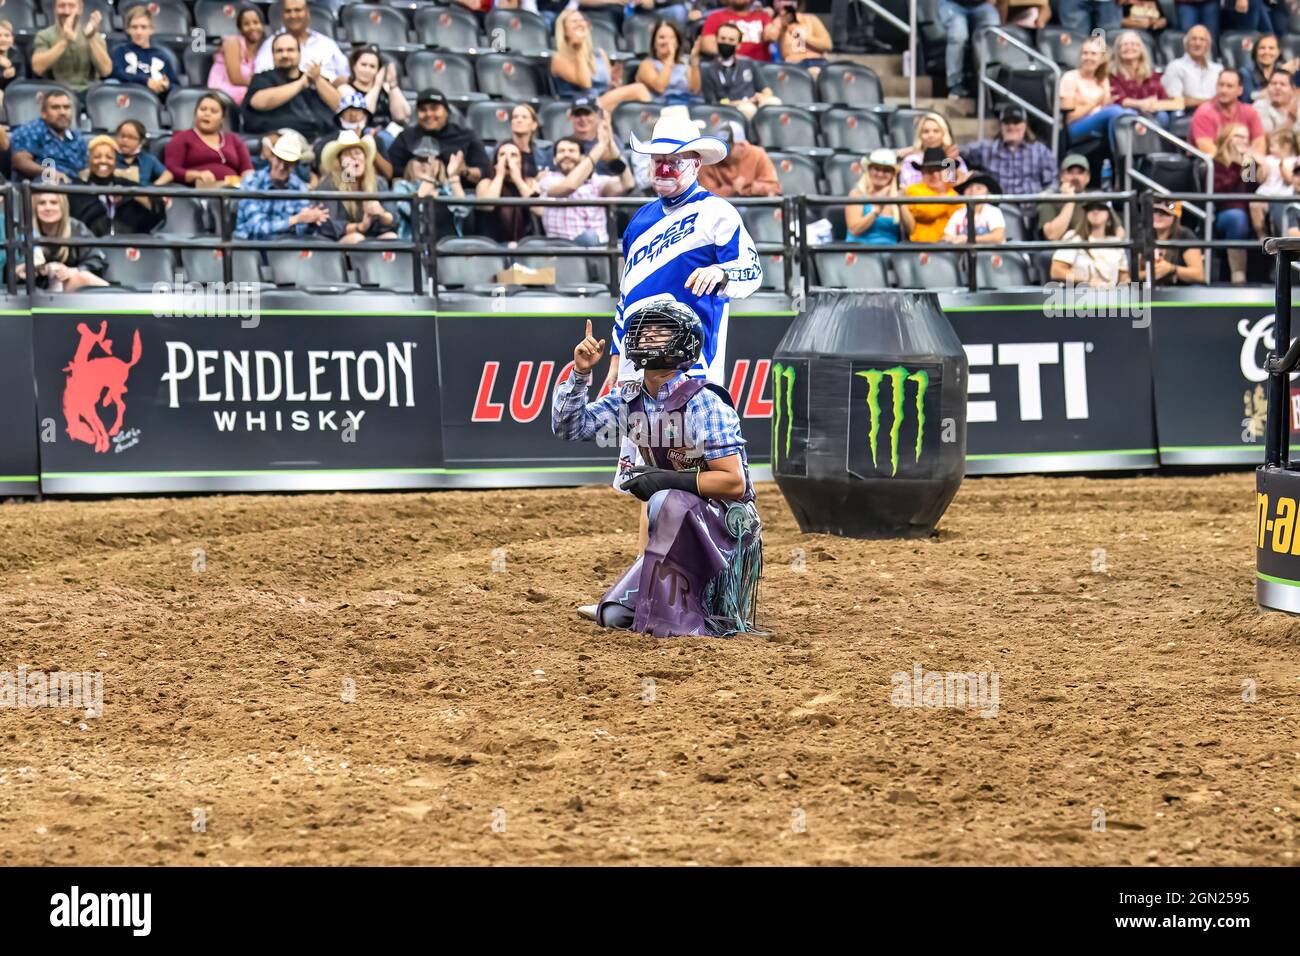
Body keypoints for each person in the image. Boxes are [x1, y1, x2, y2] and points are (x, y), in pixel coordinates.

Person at [554, 303, 763, 637]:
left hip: (724, 530)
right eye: (643, 328)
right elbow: (570, 428)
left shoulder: (705, 400)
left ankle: (700, 617)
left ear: (684, 342)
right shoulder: (629, 398)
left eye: (660, 329)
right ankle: (666, 606)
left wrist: (663, 480)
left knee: (664, 500)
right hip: (674, 521)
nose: (648, 334)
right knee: (613, 617)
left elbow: (734, 482)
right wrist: (580, 374)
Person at [241, 32, 341, 140]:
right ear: (273, 55)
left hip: (325, 137)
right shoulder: (262, 78)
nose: (285, 55)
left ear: (299, 54)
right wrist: (301, 84)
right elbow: (259, 102)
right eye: (279, 51)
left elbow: (338, 105)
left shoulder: (314, 78)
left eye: (290, 50)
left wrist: (317, 79)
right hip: (286, 140)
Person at [536, 136, 634, 244]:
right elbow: (569, 186)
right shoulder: (547, 180)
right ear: (554, 160)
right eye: (561, 151)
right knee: (589, 237)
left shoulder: (596, 181)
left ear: (583, 157)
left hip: (600, 247)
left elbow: (627, 183)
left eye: (571, 151)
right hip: (563, 249)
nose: (566, 154)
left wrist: (614, 156)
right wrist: (599, 148)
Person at [383, 89, 490, 188]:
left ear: (446, 112)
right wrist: (411, 170)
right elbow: (390, 171)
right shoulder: (406, 137)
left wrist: (464, 171)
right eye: (423, 110)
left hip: (457, 195)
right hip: (413, 194)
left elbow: (484, 173)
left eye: (434, 108)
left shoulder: (466, 136)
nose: (428, 114)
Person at [233, 131, 330, 239]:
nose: (281, 167)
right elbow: (258, 228)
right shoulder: (251, 182)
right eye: (279, 160)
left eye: (288, 163)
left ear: (295, 165)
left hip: (285, 247)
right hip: (249, 245)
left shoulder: (300, 187)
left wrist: (311, 218)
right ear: (272, 157)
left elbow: (301, 228)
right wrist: (296, 219)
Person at [552, 8, 651, 113]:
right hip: (580, 106)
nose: (580, 24)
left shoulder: (600, 54)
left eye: (581, 20)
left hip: (601, 103)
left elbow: (607, 88)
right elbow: (586, 83)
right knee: (639, 89)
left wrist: (615, 83)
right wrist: (579, 48)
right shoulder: (559, 58)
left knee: (634, 103)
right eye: (574, 22)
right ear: (564, 30)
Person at [70, 134, 163, 235]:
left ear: (115, 161)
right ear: (89, 160)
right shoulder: (78, 188)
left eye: (109, 157)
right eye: (97, 157)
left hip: (126, 243)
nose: (103, 161)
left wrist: (131, 195)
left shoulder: (128, 185)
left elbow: (156, 212)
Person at [316, 130, 398, 245]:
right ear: (339, 162)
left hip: (371, 238)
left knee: (391, 237)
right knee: (356, 238)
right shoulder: (329, 185)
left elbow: (393, 218)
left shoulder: (378, 182)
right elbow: (327, 225)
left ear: (365, 158)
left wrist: (381, 214)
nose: (353, 157)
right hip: (339, 242)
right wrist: (360, 227)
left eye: (357, 152)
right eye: (347, 154)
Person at [1059, 34, 1134, 155]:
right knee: (1115, 112)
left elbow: (1104, 109)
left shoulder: (1103, 79)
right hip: (1075, 127)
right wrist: (1095, 103)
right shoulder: (1070, 77)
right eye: (1085, 53)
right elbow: (1069, 118)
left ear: (1101, 58)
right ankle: (1119, 160)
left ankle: (1125, 162)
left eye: (1093, 54)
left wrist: (1105, 104)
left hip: (1100, 123)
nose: (1088, 57)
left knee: (1130, 114)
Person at [18, 190, 109, 290]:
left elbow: (96, 259)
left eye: (54, 203)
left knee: (81, 276)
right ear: (35, 207)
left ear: (63, 206)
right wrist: (43, 269)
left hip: (72, 289)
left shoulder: (76, 228)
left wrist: (74, 271)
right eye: (42, 203)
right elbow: (16, 269)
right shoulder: (26, 231)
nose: (48, 208)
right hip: (36, 290)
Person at [959, 104, 1056, 196]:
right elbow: (952, 156)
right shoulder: (986, 148)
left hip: (1033, 206)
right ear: (1001, 126)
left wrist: (1045, 195)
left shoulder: (1040, 151)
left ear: (1025, 125)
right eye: (1007, 122)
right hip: (998, 208)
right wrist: (950, 178)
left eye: (1016, 122)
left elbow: (1053, 182)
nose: (1011, 126)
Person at [165, 93, 253, 187]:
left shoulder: (234, 139)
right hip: (198, 192)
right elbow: (172, 170)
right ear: (195, 113)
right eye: (202, 109)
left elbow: (247, 170)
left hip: (235, 190)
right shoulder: (181, 138)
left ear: (222, 118)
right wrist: (196, 175)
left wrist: (248, 183)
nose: (207, 114)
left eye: (213, 111)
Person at [698, 21, 780, 120]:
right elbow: (712, 103)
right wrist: (742, 103)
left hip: (753, 103)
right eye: (723, 39)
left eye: (731, 40)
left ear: (738, 45)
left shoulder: (748, 63)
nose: (726, 42)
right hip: (729, 110)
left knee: (774, 102)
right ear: (716, 40)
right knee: (748, 109)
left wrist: (761, 97)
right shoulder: (708, 69)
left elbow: (766, 90)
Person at [1210, 122, 1259, 284]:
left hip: (1249, 211)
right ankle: (1238, 273)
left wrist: (1251, 165)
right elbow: (1221, 190)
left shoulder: (1248, 163)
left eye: (1246, 137)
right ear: (1226, 138)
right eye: (1238, 136)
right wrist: (1238, 165)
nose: (1244, 140)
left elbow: (1252, 188)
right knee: (1237, 218)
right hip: (1224, 212)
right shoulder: (1215, 163)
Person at [253, 0, 348, 81]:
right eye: (288, 11)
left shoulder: (326, 44)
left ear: (307, 13)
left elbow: (346, 74)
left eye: (297, 10)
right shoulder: (271, 44)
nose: (293, 15)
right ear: (283, 15)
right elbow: (261, 78)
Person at [31, 0, 110, 94]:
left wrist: (91, 39)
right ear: (55, 9)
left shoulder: (95, 36)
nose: (66, 11)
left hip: (89, 92)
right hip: (56, 92)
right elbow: (37, 68)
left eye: (71, 6)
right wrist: (64, 41)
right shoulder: (44, 35)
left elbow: (106, 70)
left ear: (80, 9)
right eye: (61, 6)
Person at [1110, 31, 1183, 129]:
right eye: (1124, 45)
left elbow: (1162, 97)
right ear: (1118, 50)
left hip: (1152, 113)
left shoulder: (1151, 74)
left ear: (1141, 49)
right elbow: (1117, 100)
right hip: (1127, 113)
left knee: (1163, 116)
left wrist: (1156, 104)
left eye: (1134, 44)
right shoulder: (1112, 74)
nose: (1129, 47)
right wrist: (1142, 103)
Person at [10, 89, 86, 181]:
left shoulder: (77, 137)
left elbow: (84, 168)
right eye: (55, 107)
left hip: (74, 186)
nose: (62, 112)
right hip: (44, 185)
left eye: (66, 107)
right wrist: (49, 172)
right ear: (43, 113)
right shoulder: (30, 131)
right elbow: (20, 161)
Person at [1050, 200, 1130, 287]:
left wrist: (1127, 283)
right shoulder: (1074, 237)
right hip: (1080, 294)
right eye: (1090, 208)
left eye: (1101, 208)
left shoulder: (1116, 242)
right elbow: (1056, 271)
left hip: (1111, 295)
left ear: (1109, 214)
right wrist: (1087, 281)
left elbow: (1123, 277)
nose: (1095, 211)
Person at [336, 44, 410, 136]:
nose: (367, 70)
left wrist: (393, 85)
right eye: (363, 65)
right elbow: (364, 114)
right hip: (363, 134)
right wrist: (377, 86)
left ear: (378, 70)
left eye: (372, 66)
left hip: (390, 132)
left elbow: (402, 116)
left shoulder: (386, 88)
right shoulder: (346, 89)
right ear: (354, 66)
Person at [476, 141, 540, 243]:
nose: (507, 159)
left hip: (524, 245)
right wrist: (499, 175)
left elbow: (539, 209)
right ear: (495, 161)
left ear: (521, 161)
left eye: (513, 155)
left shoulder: (530, 183)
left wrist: (518, 180)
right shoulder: (485, 183)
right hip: (492, 245)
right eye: (502, 155)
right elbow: (488, 205)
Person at [1191, 69, 1265, 156]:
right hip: (1214, 165)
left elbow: (1259, 145)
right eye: (1221, 85)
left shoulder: (1250, 112)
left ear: (1240, 90)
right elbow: (1209, 151)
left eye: (1229, 86)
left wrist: (1250, 163)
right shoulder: (1204, 113)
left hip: (1245, 164)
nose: (1223, 90)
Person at [109, 6, 178, 98]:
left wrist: (166, 86)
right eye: (134, 27)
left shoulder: (162, 56)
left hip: (154, 102)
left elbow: (176, 87)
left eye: (143, 27)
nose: (139, 32)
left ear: (151, 29)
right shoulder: (120, 51)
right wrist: (146, 81)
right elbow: (116, 74)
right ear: (128, 30)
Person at [936, 0, 999, 99]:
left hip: (980, 4)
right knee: (958, 34)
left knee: (993, 26)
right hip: (951, 3)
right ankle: (955, 84)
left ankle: (991, 81)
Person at [696, 123, 779, 197]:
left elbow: (773, 188)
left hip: (755, 209)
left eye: (728, 148)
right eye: (721, 148)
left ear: (742, 145)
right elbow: (706, 196)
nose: (723, 153)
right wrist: (732, 190)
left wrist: (746, 188)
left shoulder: (758, 155)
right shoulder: (711, 158)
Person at [208, 4, 265, 107]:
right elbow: (235, 78)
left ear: (263, 25)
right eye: (246, 24)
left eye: (256, 23)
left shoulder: (264, 48)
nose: (252, 27)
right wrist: (265, 84)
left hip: (247, 91)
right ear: (241, 28)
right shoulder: (232, 42)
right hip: (224, 91)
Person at [901, 147, 960, 243]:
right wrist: (947, 199)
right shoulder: (914, 190)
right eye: (930, 171)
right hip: (919, 246)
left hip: (949, 247)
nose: (935, 175)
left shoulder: (953, 193)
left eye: (939, 169)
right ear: (922, 173)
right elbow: (927, 212)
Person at [636, 19, 701, 106]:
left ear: (677, 43)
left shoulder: (684, 65)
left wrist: (694, 61)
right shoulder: (647, 65)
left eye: (671, 37)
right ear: (654, 43)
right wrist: (670, 58)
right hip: (661, 110)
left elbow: (694, 90)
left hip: (685, 108)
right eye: (662, 37)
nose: (666, 41)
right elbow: (660, 87)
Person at [845, 147, 902, 245]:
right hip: (861, 252)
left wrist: (902, 204)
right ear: (868, 170)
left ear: (893, 174)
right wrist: (876, 211)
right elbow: (854, 230)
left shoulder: (898, 197)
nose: (880, 174)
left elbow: (910, 231)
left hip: (891, 253)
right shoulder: (857, 194)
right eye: (876, 169)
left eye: (886, 170)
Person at [1162, 25, 1221, 113]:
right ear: (1186, 44)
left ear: (1208, 45)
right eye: (1193, 39)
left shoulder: (1218, 69)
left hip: (1218, 113)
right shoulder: (1175, 67)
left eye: (1202, 40)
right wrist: (1209, 102)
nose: (1197, 43)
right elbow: (1174, 101)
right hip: (1188, 114)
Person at [764, 0, 832, 75]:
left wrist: (802, 36)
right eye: (779, 1)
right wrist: (779, 22)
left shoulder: (810, 19)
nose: (785, 4)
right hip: (794, 65)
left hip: (818, 61)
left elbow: (827, 45)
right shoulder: (776, 22)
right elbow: (769, 37)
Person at [1146, 198, 1205, 284]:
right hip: (1148, 291)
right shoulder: (1143, 235)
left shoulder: (1185, 236)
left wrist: (1171, 269)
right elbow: (1133, 275)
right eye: (1154, 211)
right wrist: (1153, 272)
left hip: (1181, 291)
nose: (1158, 215)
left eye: (1164, 213)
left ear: (1175, 217)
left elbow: (1199, 275)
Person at [898, 113, 965, 188]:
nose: (931, 135)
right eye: (926, 131)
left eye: (936, 131)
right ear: (920, 135)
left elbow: (962, 186)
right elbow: (912, 188)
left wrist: (953, 168)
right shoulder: (911, 161)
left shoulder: (956, 160)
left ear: (944, 134)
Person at [567, 97, 630, 176]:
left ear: (597, 115)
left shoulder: (611, 140)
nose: (582, 118)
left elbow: (625, 175)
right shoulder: (565, 146)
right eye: (578, 114)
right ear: (570, 117)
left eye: (587, 113)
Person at [1037, 153, 1094, 241]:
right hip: (1059, 251)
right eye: (1070, 172)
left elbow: (1119, 232)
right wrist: (1070, 200)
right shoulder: (1050, 200)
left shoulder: (1096, 200)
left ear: (1088, 178)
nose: (1075, 177)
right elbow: (1052, 236)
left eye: (1080, 172)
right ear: (1062, 177)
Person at [941, 171, 1006, 245]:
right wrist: (952, 239)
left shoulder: (993, 211)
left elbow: (998, 237)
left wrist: (968, 239)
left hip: (989, 254)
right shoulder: (958, 214)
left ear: (987, 193)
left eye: (979, 188)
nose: (973, 191)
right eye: (969, 187)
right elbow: (946, 237)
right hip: (962, 255)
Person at [699, 0, 773, 62]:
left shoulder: (763, 15)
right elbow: (707, 45)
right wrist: (733, 57)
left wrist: (780, 17)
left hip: (760, 68)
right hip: (729, 68)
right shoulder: (715, 17)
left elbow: (772, 35)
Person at [114, 119, 171, 185]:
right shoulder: (109, 156)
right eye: (122, 136)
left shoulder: (148, 159)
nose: (125, 140)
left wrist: (153, 188)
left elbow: (168, 175)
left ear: (141, 141)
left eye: (131, 137)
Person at [1248, 34, 1300, 105]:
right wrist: (1283, 73)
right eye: (1262, 48)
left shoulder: (1283, 71)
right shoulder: (1246, 73)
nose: (1267, 52)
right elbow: (1248, 100)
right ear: (1256, 51)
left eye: (1271, 48)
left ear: (1278, 52)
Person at [509, 103, 553, 173]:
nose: (519, 120)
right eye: (515, 117)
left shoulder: (545, 152)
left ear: (534, 125)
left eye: (524, 117)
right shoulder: (501, 150)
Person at [0, 18, 29, 94]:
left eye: (7, 35)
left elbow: (21, 78)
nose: (3, 39)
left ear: (12, 39)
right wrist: (2, 75)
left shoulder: (17, 55)